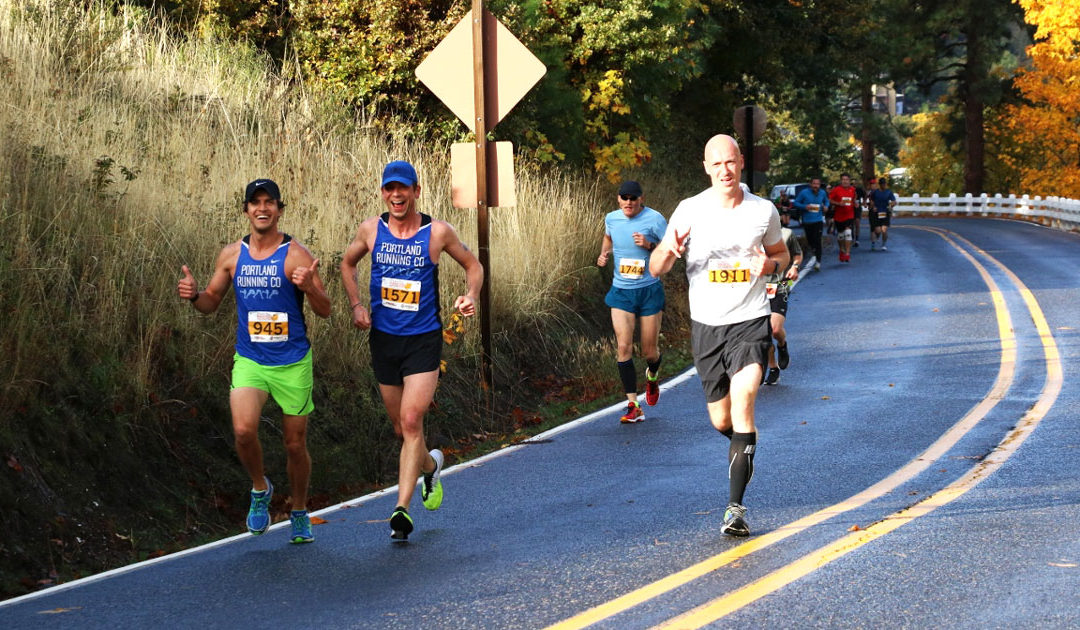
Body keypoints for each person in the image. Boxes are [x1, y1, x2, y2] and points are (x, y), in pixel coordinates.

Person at [177, 179, 331, 544]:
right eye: (255, 203)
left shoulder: (297, 255)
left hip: (293, 362)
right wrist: (193, 295)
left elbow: (325, 310)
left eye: (269, 203)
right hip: (251, 360)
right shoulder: (231, 255)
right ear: (246, 210)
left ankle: (298, 510)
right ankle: (260, 488)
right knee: (244, 431)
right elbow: (211, 302)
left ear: (280, 209)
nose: (262, 209)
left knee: (295, 445)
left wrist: (309, 287)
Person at [649, 134, 789, 537]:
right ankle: (743, 446)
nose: (724, 170)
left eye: (730, 162)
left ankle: (735, 508)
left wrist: (770, 266)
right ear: (706, 168)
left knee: (744, 401)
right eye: (717, 164)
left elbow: (780, 255)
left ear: (741, 162)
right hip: (707, 326)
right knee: (721, 419)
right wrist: (669, 251)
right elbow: (656, 267)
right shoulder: (689, 210)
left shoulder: (763, 211)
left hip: (750, 320)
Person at [340, 160, 483, 542]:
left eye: (404, 188)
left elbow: (473, 265)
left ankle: (401, 509)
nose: (397, 195)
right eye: (390, 189)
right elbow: (347, 264)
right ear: (384, 193)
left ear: (416, 191)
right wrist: (356, 305)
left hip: (423, 339)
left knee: (412, 420)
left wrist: (470, 296)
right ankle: (430, 466)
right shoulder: (372, 230)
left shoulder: (437, 232)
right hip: (384, 340)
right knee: (402, 430)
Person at [597, 181, 668, 422]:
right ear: (618, 199)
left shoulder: (655, 219)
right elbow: (608, 238)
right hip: (622, 291)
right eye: (624, 197)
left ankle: (652, 374)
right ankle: (633, 404)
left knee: (649, 350)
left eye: (633, 198)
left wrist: (649, 245)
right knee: (624, 347)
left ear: (641, 198)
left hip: (649, 290)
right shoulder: (612, 218)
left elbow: (670, 249)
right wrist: (604, 253)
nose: (628, 202)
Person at [763, 222, 803, 385]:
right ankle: (773, 368)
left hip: (781, 285)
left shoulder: (786, 234)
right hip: (756, 288)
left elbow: (797, 254)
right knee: (763, 334)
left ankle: (782, 344)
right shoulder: (749, 236)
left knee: (775, 329)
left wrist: (794, 267)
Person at [792, 177, 829, 270]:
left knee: (817, 240)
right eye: (814, 184)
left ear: (820, 185)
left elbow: (826, 201)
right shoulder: (804, 193)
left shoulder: (822, 193)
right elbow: (795, 203)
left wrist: (826, 207)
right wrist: (805, 206)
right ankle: (813, 250)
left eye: (818, 184)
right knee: (810, 240)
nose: (816, 186)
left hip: (818, 220)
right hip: (807, 221)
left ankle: (818, 262)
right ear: (810, 184)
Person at [828, 173, 858, 263]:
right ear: (841, 181)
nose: (845, 181)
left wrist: (855, 204)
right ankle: (842, 250)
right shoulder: (836, 190)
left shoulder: (852, 190)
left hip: (849, 215)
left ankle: (847, 253)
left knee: (848, 232)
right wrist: (838, 203)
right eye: (843, 179)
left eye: (847, 179)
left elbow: (854, 199)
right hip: (839, 216)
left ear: (849, 181)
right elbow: (829, 200)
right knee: (840, 235)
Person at [869, 176, 897, 251]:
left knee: (884, 229)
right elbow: (871, 200)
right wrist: (873, 206)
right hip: (877, 213)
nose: (884, 185)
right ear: (880, 184)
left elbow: (894, 201)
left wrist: (891, 205)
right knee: (878, 231)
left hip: (885, 212)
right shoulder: (876, 192)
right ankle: (876, 238)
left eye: (884, 184)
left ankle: (884, 244)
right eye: (882, 184)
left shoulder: (888, 192)